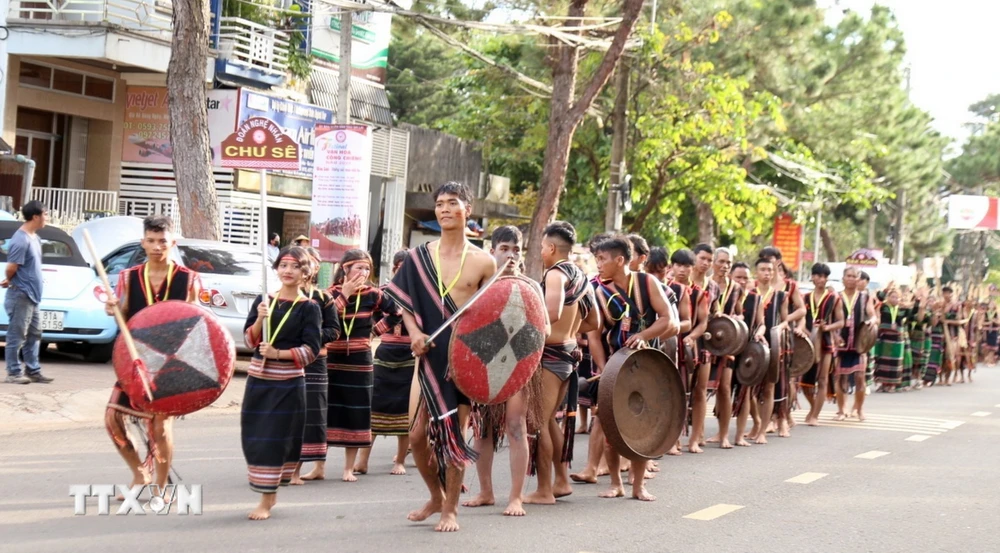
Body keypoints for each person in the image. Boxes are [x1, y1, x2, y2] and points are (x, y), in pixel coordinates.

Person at [385, 181, 497, 533]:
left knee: (454, 437)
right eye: (439, 204)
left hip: (462, 361)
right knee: (417, 436)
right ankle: (434, 495)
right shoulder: (419, 257)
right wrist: (415, 333)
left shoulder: (484, 261)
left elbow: (493, 318)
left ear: (468, 210)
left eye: (452, 203)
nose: (445, 209)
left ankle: (451, 509)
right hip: (427, 356)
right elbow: (404, 304)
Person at [103, 216, 199, 499]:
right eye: (151, 241)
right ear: (143, 242)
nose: (157, 247)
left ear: (173, 242)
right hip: (135, 362)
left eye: (162, 241)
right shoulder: (129, 277)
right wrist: (113, 310)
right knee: (113, 419)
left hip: (171, 364)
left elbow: (196, 323)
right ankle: (139, 474)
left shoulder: (188, 279)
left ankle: (160, 483)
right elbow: (123, 317)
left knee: (160, 426)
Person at [464, 226, 547, 516]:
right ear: (493, 251)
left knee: (516, 426)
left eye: (516, 250)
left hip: (520, 366)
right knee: (482, 430)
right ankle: (485, 491)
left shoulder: (531, 287)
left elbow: (543, 329)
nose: (511, 256)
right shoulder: (478, 286)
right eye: (504, 249)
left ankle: (515, 497)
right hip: (484, 364)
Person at [588, 235, 677, 501]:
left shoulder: (647, 282)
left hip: (648, 366)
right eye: (597, 259)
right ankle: (616, 483)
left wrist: (644, 335)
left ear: (620, 260)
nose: (599, 264)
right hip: (615, 367)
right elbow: (594, 335)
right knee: (610, 427)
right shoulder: (600, 290)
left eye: (602, 258)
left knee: (643, 429)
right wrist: (604, 369)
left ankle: (638, 486)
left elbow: (668, 319)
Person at [241, 246, 322, 520]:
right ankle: (269, 489)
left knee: (275, 441)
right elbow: (250, 341)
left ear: (305, 273)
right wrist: (260, 319)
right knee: (254, 439)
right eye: (283, 265)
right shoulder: (263, 301)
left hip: (287, 384)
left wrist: (278, 354)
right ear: (276, 269)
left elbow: (311, 350)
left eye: (295, 266)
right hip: (258, 380)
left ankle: (266, 498)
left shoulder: (309, 308)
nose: (288, 271)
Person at [525, 221, 595, 506]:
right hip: (568, 353)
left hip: (550, 356)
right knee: (548, 421)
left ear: (552, 248)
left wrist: (526, 331)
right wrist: (572, 332)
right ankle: (562, 480)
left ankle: (544, 490)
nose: (541, 252)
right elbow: (595, 322)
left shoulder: (555, 274)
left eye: (542, 247)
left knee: (537, 422)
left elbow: (550, 312)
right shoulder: (581, 275)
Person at [312, 249, 398, 482]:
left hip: (360, 360)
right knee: (327, 411)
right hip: (333, 359)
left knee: (356, 411)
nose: (364, 272)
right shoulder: (329, 294)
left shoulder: (374, 294)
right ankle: (319, 467)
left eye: (367, 268)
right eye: (359, 267)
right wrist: (344, 296)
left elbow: (396, 313)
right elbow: (319, 321)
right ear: (345, 269)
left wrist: (375, 330)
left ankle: (348, 468)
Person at [356, 250, 413, 476]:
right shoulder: (381, 293)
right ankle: (362, 460)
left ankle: (399, 460)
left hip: (410, 354)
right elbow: (370, 320)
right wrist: (376, 330)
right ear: (394, 269)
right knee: (375, 405)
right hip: (385, 352)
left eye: (407, 268)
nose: (402, 272)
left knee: (405, 409)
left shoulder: (422, 294)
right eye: (399, 268)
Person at [290, 248, 340, 485]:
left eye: (309, 263)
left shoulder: (323, 298)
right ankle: (290, 468)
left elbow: (334, 330)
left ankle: (317, 465)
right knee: (291, 413)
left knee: (314, 414)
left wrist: (310, 336)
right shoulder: (280, 297)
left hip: (316, 361)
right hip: (288, 360)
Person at [3, 200, 52, 385]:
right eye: (45, 214)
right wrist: (10, 279)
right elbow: (11, 267)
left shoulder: (35, 238)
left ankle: (33, 370)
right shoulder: (20, 239)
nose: (46, 217)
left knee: (34, 334)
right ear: (35, 216)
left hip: (32, 296)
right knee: (17, 335)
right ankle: (13, 373)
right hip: (20, 295)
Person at [670, 248, 710, 452]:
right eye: (678, 265)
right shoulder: (665, 288)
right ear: (672, 266)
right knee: (674, 392)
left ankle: (694, 439)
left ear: (691, 268)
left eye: (686, 266)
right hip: (670, 343)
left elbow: (704, 322)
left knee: (699, 391)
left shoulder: (698, 292)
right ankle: (672, 439)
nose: (682, 269)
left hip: (694, 345)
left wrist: (691, 337)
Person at [747, 257, 789, 443]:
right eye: (763, 269)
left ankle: (763, 430)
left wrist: (779, 328)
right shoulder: (749, 294)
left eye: (770, 270)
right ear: (757, 272)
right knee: (749, 388)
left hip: (773, 344)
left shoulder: (780, 296)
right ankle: (756, 422)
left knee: (769, 388)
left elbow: (786, 319)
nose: (766, 273)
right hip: (751, 346)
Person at [706, 247, 744, 449]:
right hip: (706, 340)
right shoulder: (706, 284)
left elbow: (739, 312)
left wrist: (736, 319)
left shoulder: (736, 288)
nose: (725, 266)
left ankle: (723, 435)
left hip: (727, 343)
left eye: (728, 263)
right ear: (714, 262)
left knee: (725, 388)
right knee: (699, 388)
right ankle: (697, 433)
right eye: (721, 261)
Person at [800, 263, 844, 425]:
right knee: (805, 381)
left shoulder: (834, 298)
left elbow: (841, 322)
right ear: (812, 277)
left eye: (825, 277)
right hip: (808, 342)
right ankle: (813, 407)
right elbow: (800, 320)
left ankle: (815, 416)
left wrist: (828, 327)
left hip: (826, 342)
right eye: (818, 276)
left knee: (823, 378)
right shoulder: (805, 298)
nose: (822, 279)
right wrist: (805, 332)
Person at [834, 267, 876, 421]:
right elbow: (832, 320)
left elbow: (872, 314)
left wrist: (872, 321)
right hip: (841, 343)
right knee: (840, 378)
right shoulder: (836, 297)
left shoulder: (865, 297)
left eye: (854, 276)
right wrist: (834, 335)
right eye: (848, 276)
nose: (851, 279)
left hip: (859, 344)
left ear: (858, 279)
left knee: (859, 376)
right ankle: (841, 409)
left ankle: (859, 409)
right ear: (843, 278)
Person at [731, 261, 765, 447]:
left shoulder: (755, 298)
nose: (742, 281)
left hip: (749, 351)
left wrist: (760, 333)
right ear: (731, 277)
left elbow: (761, 323)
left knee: (745, 392)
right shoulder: (726, 295)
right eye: (738, 277)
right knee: (724, 390)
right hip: (727, 348)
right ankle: (720, 434)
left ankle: (739, 436)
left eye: (745, 278)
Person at [874, 287, 924, 393]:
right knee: (883, 361)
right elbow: (879, 297)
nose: (895, 299)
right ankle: (883, 384)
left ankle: (892, 385)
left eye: (897, 297)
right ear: (888, 298)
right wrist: (886, 289)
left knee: (895, 362)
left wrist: (918, 299)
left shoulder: (902, 310)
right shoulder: (884, 307)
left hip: (897, 340)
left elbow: (913, 311)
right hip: (885, 339)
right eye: (892, 297)